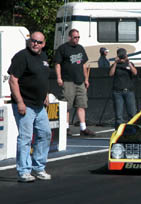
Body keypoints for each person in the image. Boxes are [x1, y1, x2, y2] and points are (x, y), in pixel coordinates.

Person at [8, 31, 52, 182]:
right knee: (25, 138)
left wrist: (46, 94)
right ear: (29, 41)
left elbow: (43, 77)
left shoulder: (44, 57)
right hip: (26, 104)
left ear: (44, 44)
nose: (35, 44)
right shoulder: (22, 56)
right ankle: (24, 171)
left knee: (45, 134)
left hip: (39, 105)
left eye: (39, 42)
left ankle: (39, 167)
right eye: (33, 41)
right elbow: (13, 80)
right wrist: (20, 102)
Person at [54, 29, 95, 136]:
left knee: (81, 104)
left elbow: (83, 65)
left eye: (78, 37)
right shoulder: (63, 49)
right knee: (66, 106)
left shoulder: (80, 48)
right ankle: (66, 128)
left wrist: (86, 79)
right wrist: (59, 78)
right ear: (70, 37)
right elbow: (57, 64)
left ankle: (83, 128)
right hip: (68, 81)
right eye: (75, 37)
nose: (77, 39)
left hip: (80, 81)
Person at [109, 48, 137, 129]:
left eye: (123, 56)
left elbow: (135, 72)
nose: (122, 58)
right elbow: (111, 74)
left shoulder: (129, 64)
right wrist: (115, 63)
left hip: (129, 91)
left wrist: (128, 63)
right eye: (120, 56)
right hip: (118, 92)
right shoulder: (115, 65)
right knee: (119, 115)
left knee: (132, 113)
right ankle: (118, 130)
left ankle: (132, 129)